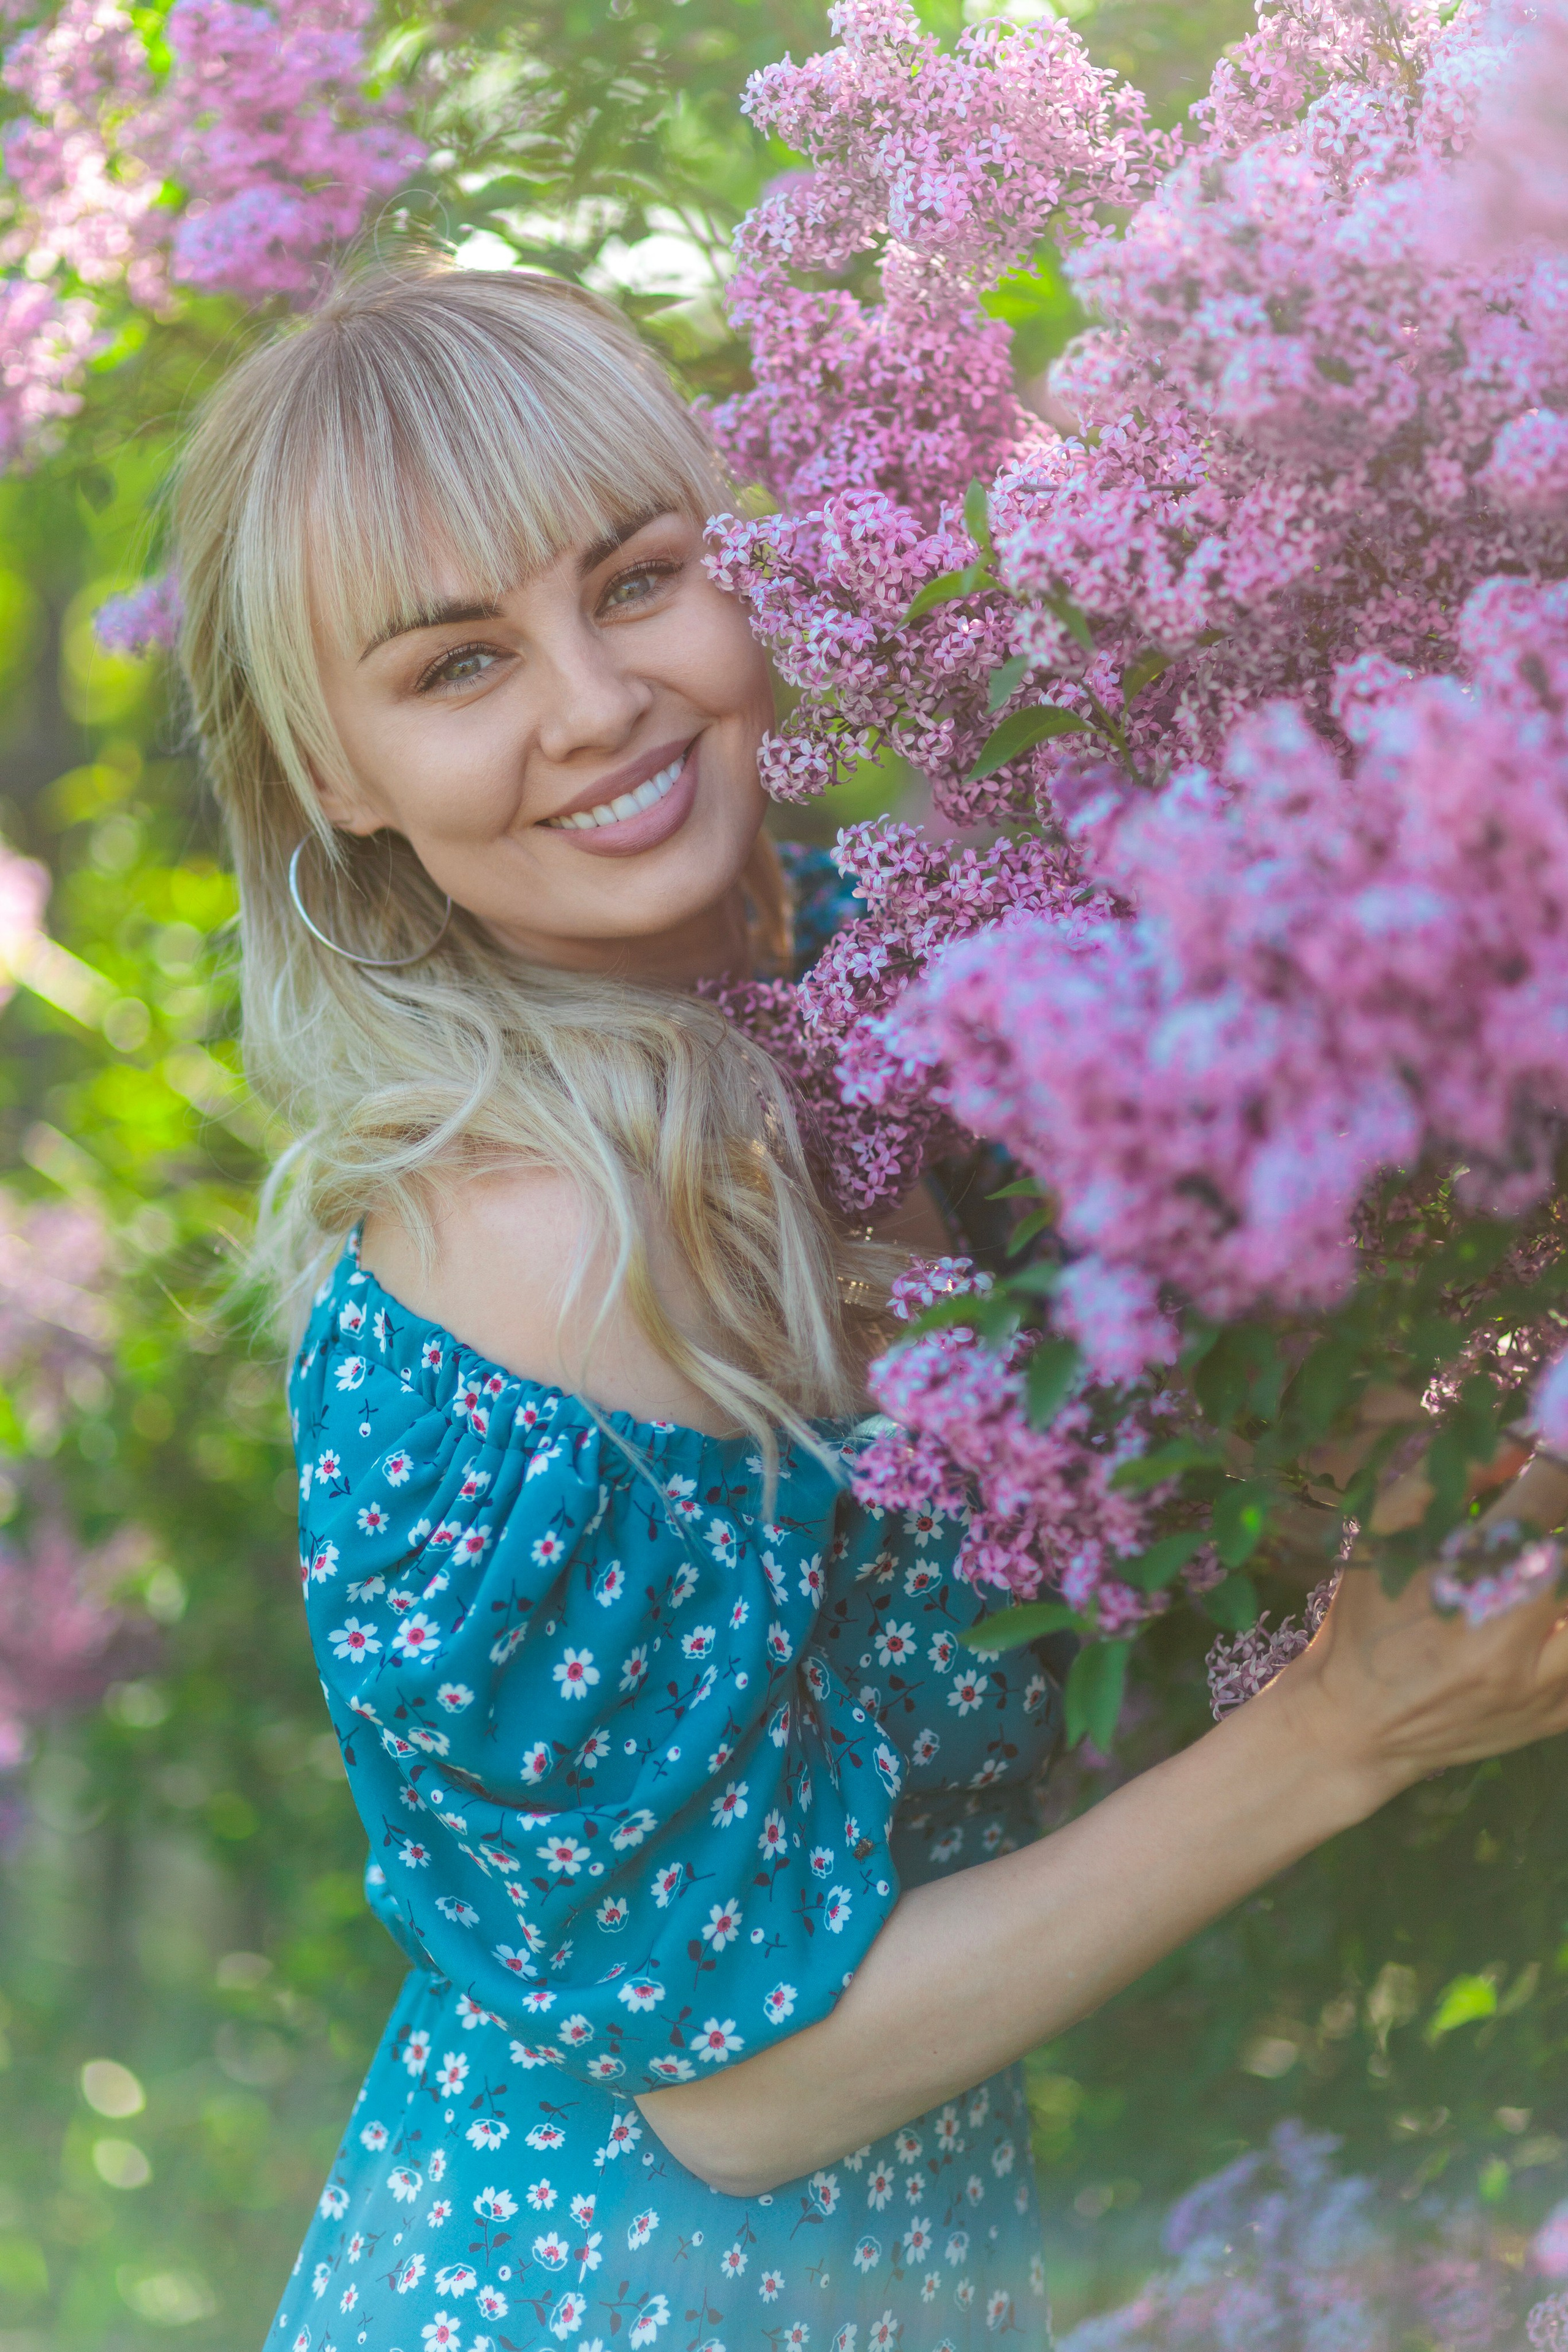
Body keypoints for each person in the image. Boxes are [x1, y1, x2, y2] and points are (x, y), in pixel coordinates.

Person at [170, 257, 1568, 2352]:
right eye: (457, 666)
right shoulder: (542, 1239)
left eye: (635, 580)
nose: (592, 701)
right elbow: (739, 2091)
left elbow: (1206, 1431)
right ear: (337, 778)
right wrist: (1345, 1730)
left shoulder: (872, 966)